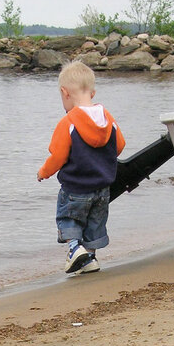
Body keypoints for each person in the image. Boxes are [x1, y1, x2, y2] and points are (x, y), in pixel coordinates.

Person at [37, 60, 126, 274]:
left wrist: (44, 172)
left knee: (69, 218)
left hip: (76, 187)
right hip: (102, 189)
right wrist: (100, 160)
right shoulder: (108, 120)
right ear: (92, 93)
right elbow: (120, 146)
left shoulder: (68, 122)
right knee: (94, 223)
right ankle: (90, 259)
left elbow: (58, 156)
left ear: (65, 93)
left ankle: (75, 249)